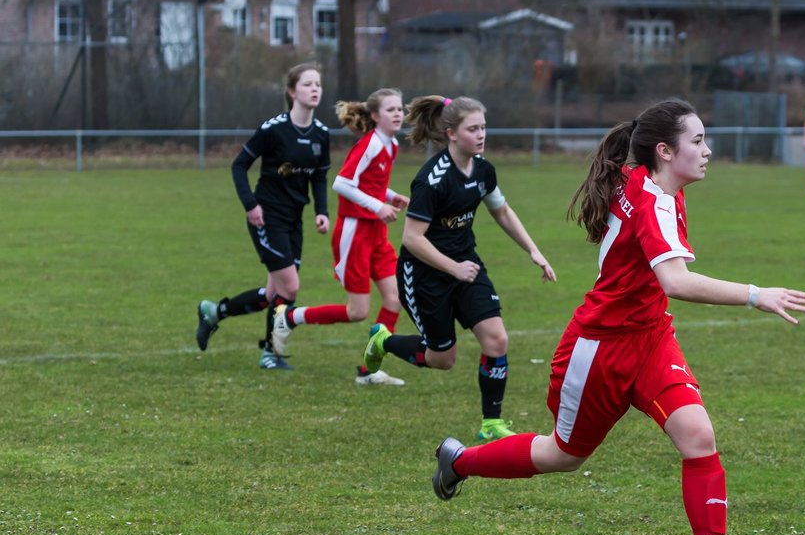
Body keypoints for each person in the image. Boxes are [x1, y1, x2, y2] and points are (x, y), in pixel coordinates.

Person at [412, 99, 805, 535]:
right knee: (563, 455)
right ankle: (460, 460)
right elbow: (675, 281)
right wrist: (758, 295)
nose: (708, 151)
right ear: (665, 152)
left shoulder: (653, 181)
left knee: (698, 435)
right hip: (598, 349)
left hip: (650, 339)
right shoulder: (651, 199)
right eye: (698, 141)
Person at [360, 95, 557, 440]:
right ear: (451, 133)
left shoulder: (482, 170)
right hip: (423, 274)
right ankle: (384, 341)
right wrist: (452, 268)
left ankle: (491, 423)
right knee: (442, 359)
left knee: (496, 340)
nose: (481, 135)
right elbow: (412, 239)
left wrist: (533, 250)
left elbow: (502, 211)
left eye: (483, 127)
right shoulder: (431, 179)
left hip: (466, 265)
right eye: (473, 129)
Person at [265, 89, 411, 384]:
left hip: (376, 232)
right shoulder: (369, 144)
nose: (398, 114)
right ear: (374, 116)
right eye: (391, 109)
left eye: (400, 109)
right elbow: (342, 184)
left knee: (396, 299)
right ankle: (289, 318)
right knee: (358, 311)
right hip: (355, 232)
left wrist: (391, 196)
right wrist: (377, 205)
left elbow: (369, 184)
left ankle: (369, 370)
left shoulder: (391, 144)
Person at [194, 62, 330, 369]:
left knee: (273, 293)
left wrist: (321, 212)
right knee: (290, 287)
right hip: (267, 218)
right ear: (292, 91)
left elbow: (319, 177)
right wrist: (250, 205)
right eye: (308, 84)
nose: (315, 89)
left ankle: (214, 312)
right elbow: (239, 165)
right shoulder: (273, 129)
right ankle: (271, 351)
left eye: (318, 84)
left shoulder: (321, 134)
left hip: (294, 219)